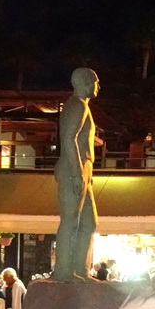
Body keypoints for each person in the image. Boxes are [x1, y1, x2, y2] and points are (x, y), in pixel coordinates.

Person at [53, 67, 99, 281]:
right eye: (95, 82)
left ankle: (79, 269)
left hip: (83, 170)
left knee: (89, 223)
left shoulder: (82, 106)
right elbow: (69, 139)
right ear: (85, 83)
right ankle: (63, 271)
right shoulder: (76, 106)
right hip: (75, 169)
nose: (98, 86)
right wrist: (77, 173)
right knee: (71, 220)